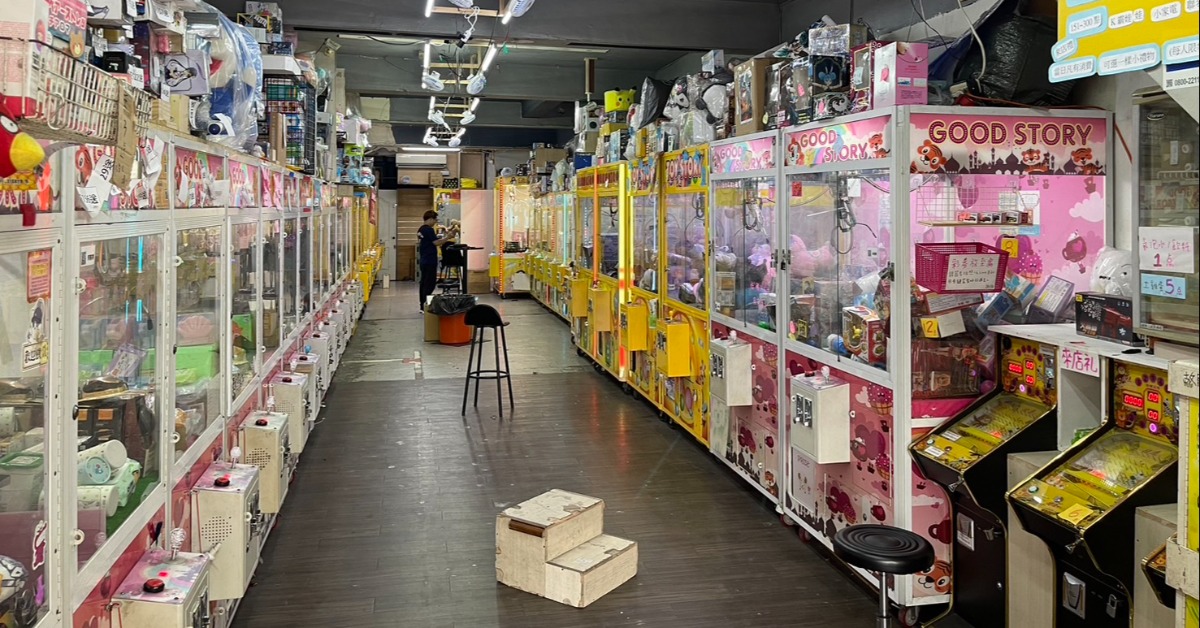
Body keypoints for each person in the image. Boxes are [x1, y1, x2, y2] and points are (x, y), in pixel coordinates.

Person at [418, 210, 458, 311]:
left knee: (424, 283)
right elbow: (436, 242)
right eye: (435, 220)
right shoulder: (429, 230)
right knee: (429, 284)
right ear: (430, 219)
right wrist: (447, 237)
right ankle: (426, 305)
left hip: (424, 259)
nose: (435, 222)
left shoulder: (421, 229)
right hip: (430, 260)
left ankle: (422, 304)